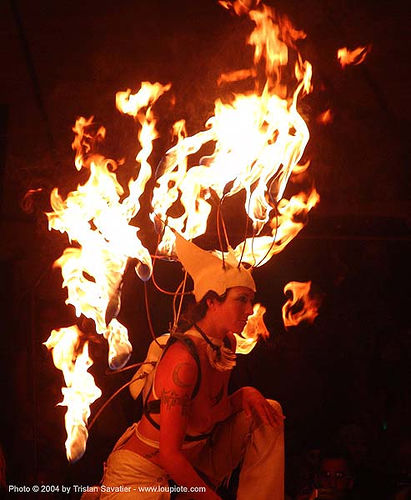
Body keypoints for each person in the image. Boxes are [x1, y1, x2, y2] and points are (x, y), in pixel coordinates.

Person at [96, 233, 285, 499]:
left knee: (269, 411)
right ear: (211, 301)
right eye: (241, 299)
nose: (249, 309)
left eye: (250, 301)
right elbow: (170, 456)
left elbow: (211, 414)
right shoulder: (183, 360)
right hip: (142, 477)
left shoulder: (226, 344)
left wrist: (244, 395)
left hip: (191, 467)